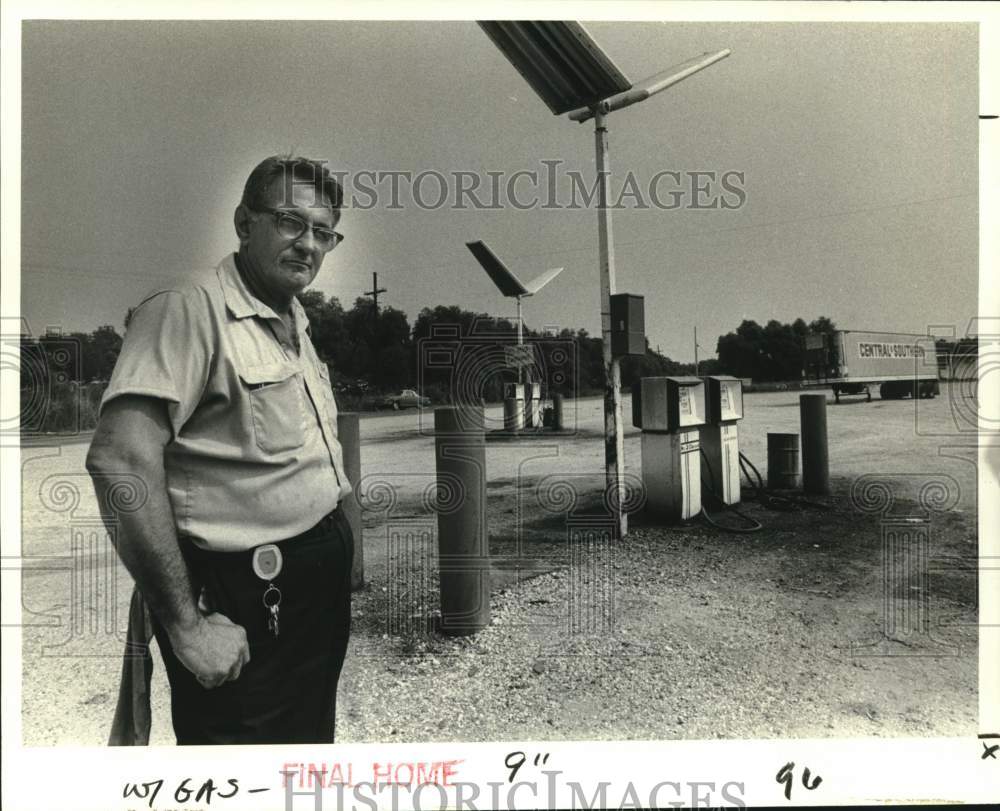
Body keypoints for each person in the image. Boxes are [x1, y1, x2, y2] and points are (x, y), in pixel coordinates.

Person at [86, 156, 354, 745]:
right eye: (290, 221)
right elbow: (119, 461)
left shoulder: (292, 317)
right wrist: (186, 626)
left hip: (311, 596)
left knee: (306, 752)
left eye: (322, 231)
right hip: (245, 595)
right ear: (243, 222)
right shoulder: (188, 307)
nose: (308, 244)